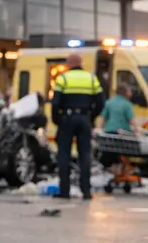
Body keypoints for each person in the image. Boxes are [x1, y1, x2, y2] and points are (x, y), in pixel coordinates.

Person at [51, 53, 106, 199]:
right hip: (84, 119)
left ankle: (64, 191)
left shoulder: (63, 79)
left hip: (67, 119)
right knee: (85, 155)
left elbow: (55, 103)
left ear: (69, 63)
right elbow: (101, 102)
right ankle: (86, 191)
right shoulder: (91, 79)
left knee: (64, 155)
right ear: (81, 63)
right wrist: (91, 117)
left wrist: (57, 119)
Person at [99, 83, 137, 177]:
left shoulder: (109, 102)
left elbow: (102, 118)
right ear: (126, 93)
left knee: (111, 153)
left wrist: (100, 129)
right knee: (121, 153)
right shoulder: (127, 104)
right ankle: (120, 172)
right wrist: (137, 132)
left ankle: (113, 171)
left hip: (109, 133)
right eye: (130, 91)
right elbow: (132, 121)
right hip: (122, 134)